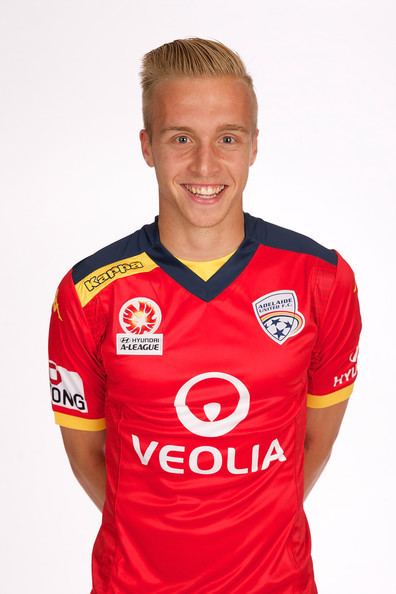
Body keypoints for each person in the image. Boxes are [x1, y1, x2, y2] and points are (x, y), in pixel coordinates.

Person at [48, 38, 362, 594]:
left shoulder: (322, 279)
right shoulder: (88, 293)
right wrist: (159, 540)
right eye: (181, 138)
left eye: (228, 139)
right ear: (147, 146)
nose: (204, 164)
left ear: (254, 146)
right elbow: (89, 456)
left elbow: (313, 446)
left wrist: (251, 533)